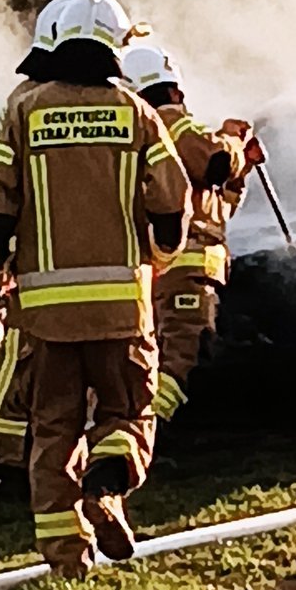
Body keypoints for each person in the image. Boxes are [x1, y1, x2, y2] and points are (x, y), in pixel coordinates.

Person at [0, 0, 188, 576]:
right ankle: (106, 487)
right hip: (121, 309)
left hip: (45, 315)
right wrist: (160, 255)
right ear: (116, 46)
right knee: (129, 411)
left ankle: (67, 555)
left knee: (53, 429)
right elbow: (172, 202)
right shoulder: (137, 115)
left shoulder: (23, 111)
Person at [117, 41, 262, 425]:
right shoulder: (167, 121)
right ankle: (144, 430)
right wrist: (236, 141)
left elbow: (214, 204)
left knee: (155, 352)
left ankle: (129, 426)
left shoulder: (131, 131)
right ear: (174, 89)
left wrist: (240, 171)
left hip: (167, 269)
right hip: (184, 273)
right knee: (183, 353)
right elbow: (214, 160)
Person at [0, 0, 78, 485]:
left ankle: (17, 453)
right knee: (20, 354)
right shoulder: (28, 103)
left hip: (45, 253)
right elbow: (1, 194)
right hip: (36, 255)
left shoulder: (35, 100)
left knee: (34, 358)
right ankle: (0, 457)